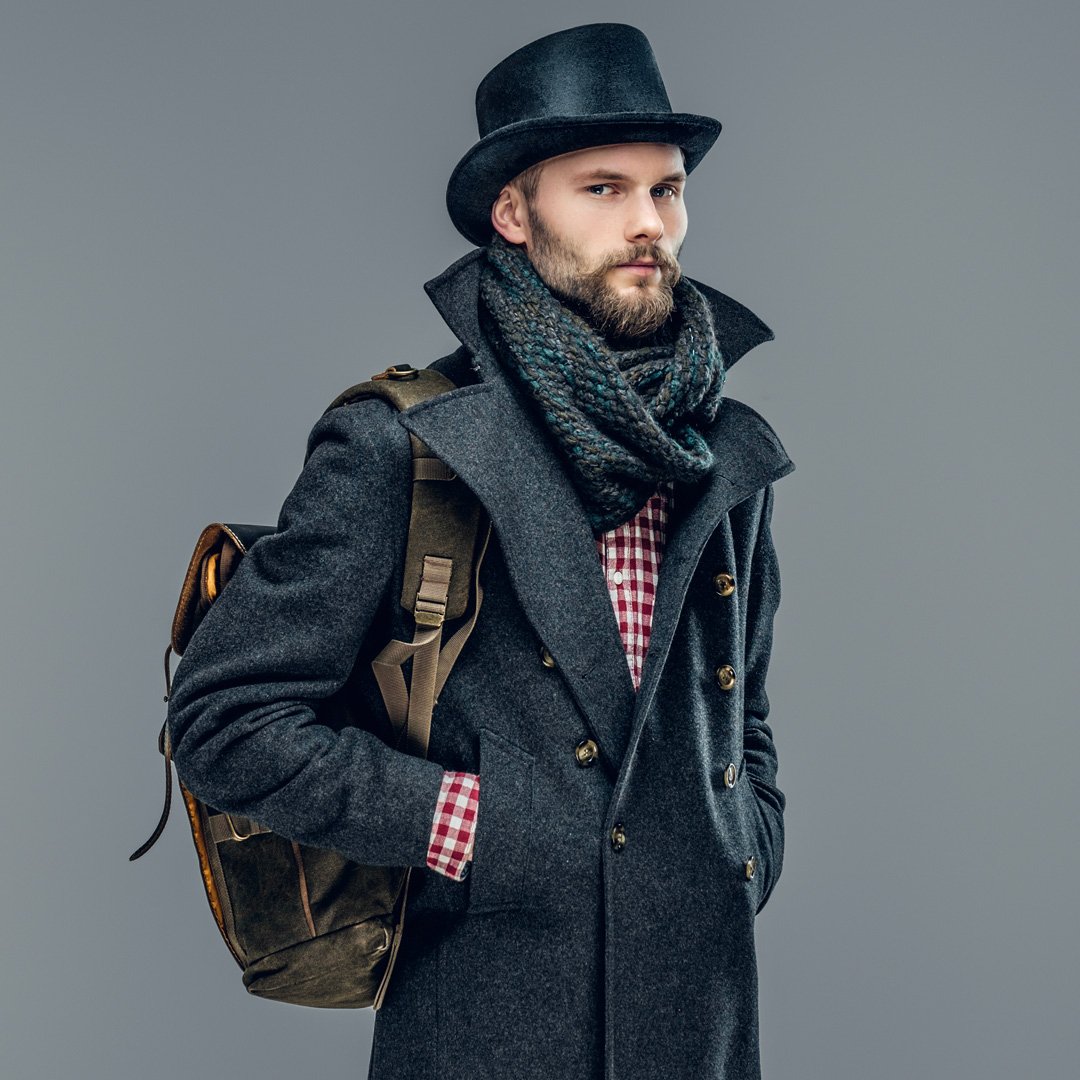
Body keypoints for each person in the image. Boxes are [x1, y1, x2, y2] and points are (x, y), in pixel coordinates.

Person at [166, 22, 796, 1080]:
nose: (648, 222)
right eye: (603, 189)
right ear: (514, 213)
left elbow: (744, 717)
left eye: (667, 189)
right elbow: (224, 721)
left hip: (700, 1018)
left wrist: (743, 839)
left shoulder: (720, 451)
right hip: (487, 1017)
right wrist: (472, 826)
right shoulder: (405, 443)